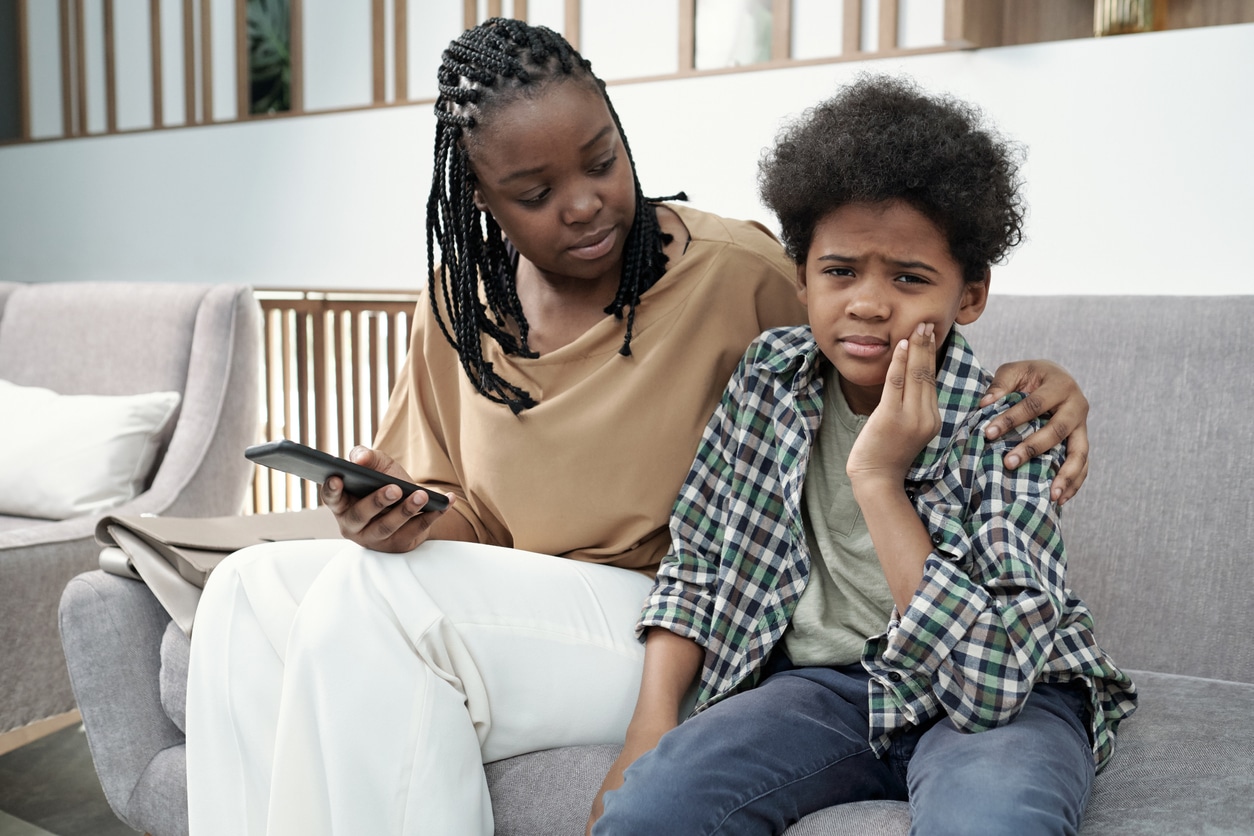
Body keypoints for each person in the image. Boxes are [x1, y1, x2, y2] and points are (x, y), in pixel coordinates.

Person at [186, 21, 1096, 836]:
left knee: (364, 606)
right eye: (535, 190)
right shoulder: (475, 315)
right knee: (247, 587)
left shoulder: (744, 279)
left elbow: (898, 304)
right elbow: (497, 518)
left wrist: (1024, 394)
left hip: (723, 629)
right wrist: (394, 518)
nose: (581, 203)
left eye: (599, 161)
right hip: (738, 657)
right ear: (481, 202)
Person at [589, 76, 1138, 836]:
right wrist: (651, 725)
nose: (870, 303)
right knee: (650, 811)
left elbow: (993, 689)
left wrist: (879, 480)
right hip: (828, 690)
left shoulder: (1011, 425)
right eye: (840, 271)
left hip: (996, 695)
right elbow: (698, 562)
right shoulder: (769, 379)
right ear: (803, 276)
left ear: (970, 295)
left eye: (910, 279)